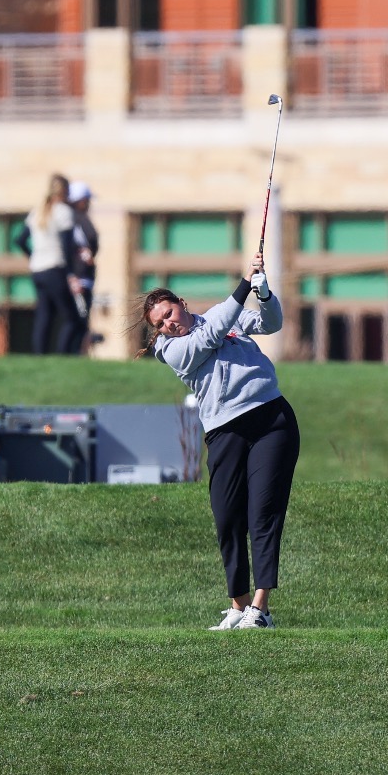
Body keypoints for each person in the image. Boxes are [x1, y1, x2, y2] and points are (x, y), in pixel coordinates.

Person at [144, 252, 297, 631]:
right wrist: (244, 285)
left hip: (270, 418)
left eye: (169, 313)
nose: (168, 324)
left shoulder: (219, 314)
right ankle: (238, 604)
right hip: (225, 430)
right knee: (228, 516)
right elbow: (211, 335)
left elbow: (271, 324)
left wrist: (263, 294)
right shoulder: (171, 351)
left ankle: (260, 610)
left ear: (181, 304)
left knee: (263, 513)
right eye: (160, 323)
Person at [14, 174, 82, 355]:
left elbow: (20, 240)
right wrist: (71, 273)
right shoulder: (63, 212)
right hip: (54, 269)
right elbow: (67, 248)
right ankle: (62, 355)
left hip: (37, 271)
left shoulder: (37, 211)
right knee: (72, 318)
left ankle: (39, 355)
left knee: (44, 315)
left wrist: (33, 256)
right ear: (65, 191)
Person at [64, 180, 100, 354]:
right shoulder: (75, 220)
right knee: (77, 320)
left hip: (82, 278)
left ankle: (74, 354)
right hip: (79, 279)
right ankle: (68, 354)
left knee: (80, 321)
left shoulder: (76, 219)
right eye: (86, 200)